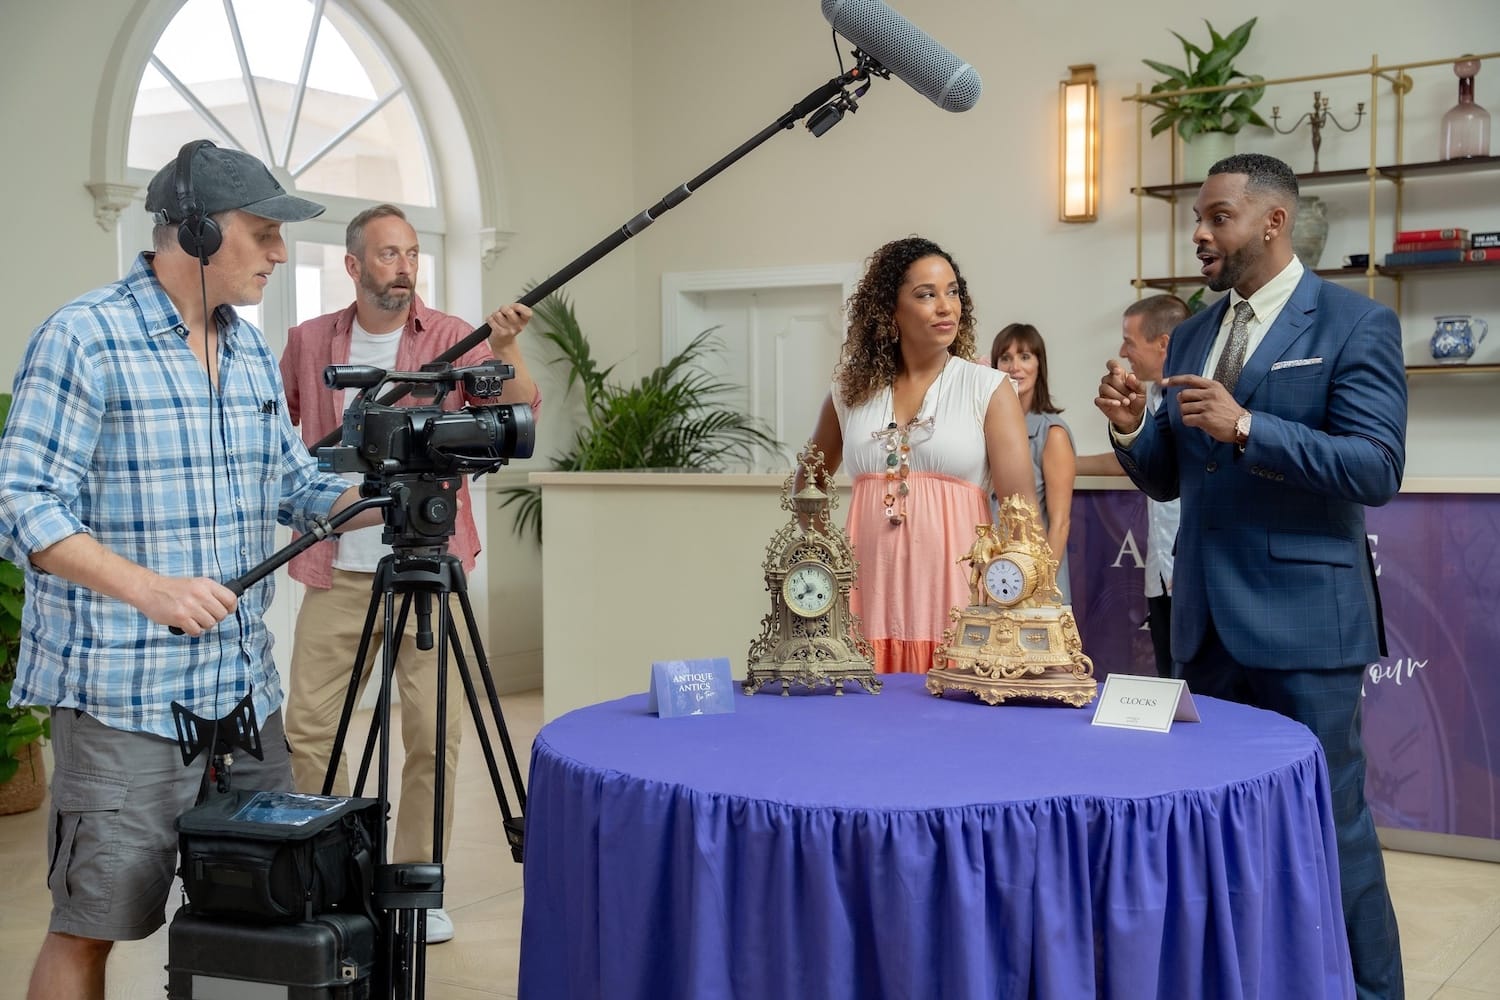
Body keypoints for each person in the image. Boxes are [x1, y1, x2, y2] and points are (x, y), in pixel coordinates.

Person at [0, 141, 382, 1000]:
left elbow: (290, 481)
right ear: (199, 232)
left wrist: (369, 492)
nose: (279, 254)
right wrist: (150, 588)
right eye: (263, 233)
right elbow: (19, 502)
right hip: (125, 701)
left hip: (244, 695)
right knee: (92, 928)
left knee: (271, 916)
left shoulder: (245, 352)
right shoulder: (84, 337)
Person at [1095, 153, 1405, 999]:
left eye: (1217, 216)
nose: (1200, 232)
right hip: (1205, 626)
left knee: (1331, 829)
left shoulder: (1353, 323)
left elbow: (1377, 467)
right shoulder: (1194, 332)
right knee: (1218, 827)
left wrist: (1248, 427)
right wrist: (1133, 431)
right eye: (1198, 217)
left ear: (1273, 222)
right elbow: (1173, 473)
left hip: (1307, 625)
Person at [279, 203, 540, 945]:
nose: (403, 268)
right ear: (354, 265)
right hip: (338, 569)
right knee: (311, 733)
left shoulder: (456, 339)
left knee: (433, 730)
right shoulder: (306, 342)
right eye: (388, 254)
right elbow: (283, 440)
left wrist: (511, 346)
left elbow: (521, 414)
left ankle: (415, 886)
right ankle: (326, 877)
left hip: (428, 566)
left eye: (412, 254)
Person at [804, 236, 1034, 674]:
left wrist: (1013, 607)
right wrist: (820, 559)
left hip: (960, 606)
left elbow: (1022, 517)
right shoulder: (849, 394)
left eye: (952, 292)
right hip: (865, 602)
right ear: (890, 312)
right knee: (865, 730)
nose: (946, 306)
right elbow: (808, 482)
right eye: (926, 295)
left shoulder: (988, 388)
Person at [1075, 295, 1189, 676]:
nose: (1122, 351)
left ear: (1164, 344)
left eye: (1129, 341)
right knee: (1169, 679)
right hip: (1159, 573)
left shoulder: (1196, 399)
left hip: (1191, 573)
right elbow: (1139, 462)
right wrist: (1062, 462)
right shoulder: (1151, 396)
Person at [989, 323, 1075, 602]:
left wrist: (1040, 585)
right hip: (992, 572)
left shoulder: (1051, 432)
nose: (1015, 367)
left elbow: (1060, 522)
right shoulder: (986, 428)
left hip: (1034, 576)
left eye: (1025, 356)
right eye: (1006, 358)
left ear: (1039, 366)